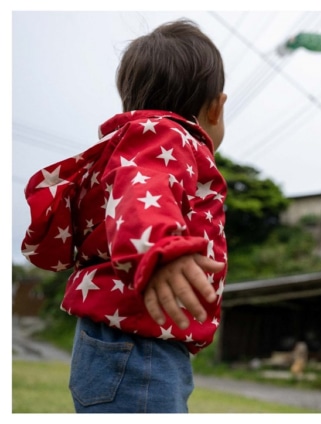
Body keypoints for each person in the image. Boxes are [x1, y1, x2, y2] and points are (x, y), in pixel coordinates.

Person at [20, 19, 228, 413]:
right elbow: (142, 186)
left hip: (128, 341)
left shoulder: (138, 141)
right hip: (139, 341)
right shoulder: (166, 136)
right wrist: (161, 248)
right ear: (217, 106)